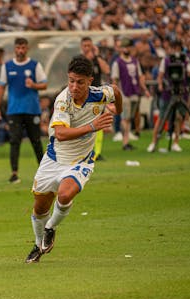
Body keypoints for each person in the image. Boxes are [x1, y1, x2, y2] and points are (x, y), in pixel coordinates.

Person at [25, 55, 122, 264]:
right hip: (54, 159)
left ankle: (50, 228)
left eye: (79, 82)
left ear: (90, 80)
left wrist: (118, 110)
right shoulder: (63, 100)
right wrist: (93, 126)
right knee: (40, 207)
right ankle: (37, 243)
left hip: (81, 161)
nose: (74, 86)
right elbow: (60, 134)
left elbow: (116, 91)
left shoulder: (99, 94)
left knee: (66, 192)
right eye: (71, 80)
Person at [0, 37, 46, 184]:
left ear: (27, 48)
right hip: (14, 110)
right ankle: (14, 173)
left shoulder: (35, 65)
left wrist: (34, 85)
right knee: (14, 141)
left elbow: (44, 85)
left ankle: (44, 172)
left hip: (32, 109)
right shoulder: (7, 66)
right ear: (14, 49)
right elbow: (1, 87)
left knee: (36, 140)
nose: (20, 50)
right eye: (18, 48)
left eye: (23, 48)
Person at [147, 40, 190, 153]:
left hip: (181, 92)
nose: (175, 51)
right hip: (168, 92)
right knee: (162, 118)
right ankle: (154, 142)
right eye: (173, 48)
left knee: (178, 118)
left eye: (177, 48)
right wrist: (160, 84)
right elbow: (160, 75)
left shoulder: (185, 60)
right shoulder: (166, 60)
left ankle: (176, 142)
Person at [111, 38, 150, 151]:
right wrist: (116, 95)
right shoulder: (117, 62)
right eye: (125, 47)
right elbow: (115, 80)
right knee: (125, 118)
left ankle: (127, 140)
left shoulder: (134, 61)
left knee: (130, 118)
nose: (127, 49)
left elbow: (140, 76)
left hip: (135, 92)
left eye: (128, 47)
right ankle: (125, 142)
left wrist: (145, 89)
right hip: (125, 93)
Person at [80, 37, 111, 161]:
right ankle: (85, 151)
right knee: (84, 124)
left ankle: (96, 153)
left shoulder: (97, 60)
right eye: (85, 45)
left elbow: (107, 70)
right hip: (83, 97)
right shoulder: (80, 60)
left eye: (89, 45)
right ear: (82, 47)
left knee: (99, 124)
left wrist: (97, 56)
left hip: (97, 97)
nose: (88, 48)